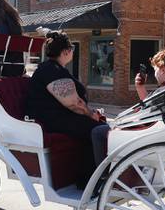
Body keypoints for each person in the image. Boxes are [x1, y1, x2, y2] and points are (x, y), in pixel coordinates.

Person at [26, 30, 109, 180]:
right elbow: (72, 103)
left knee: (97, 126)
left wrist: (91, 113)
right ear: (65, 51)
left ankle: (88, 177)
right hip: (50, 119)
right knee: (97, 130)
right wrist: (91, 114)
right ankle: (95, 179)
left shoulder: (54, 68)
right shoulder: (51, 70)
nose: (72, 52)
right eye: (71, 49)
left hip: (59, 117)